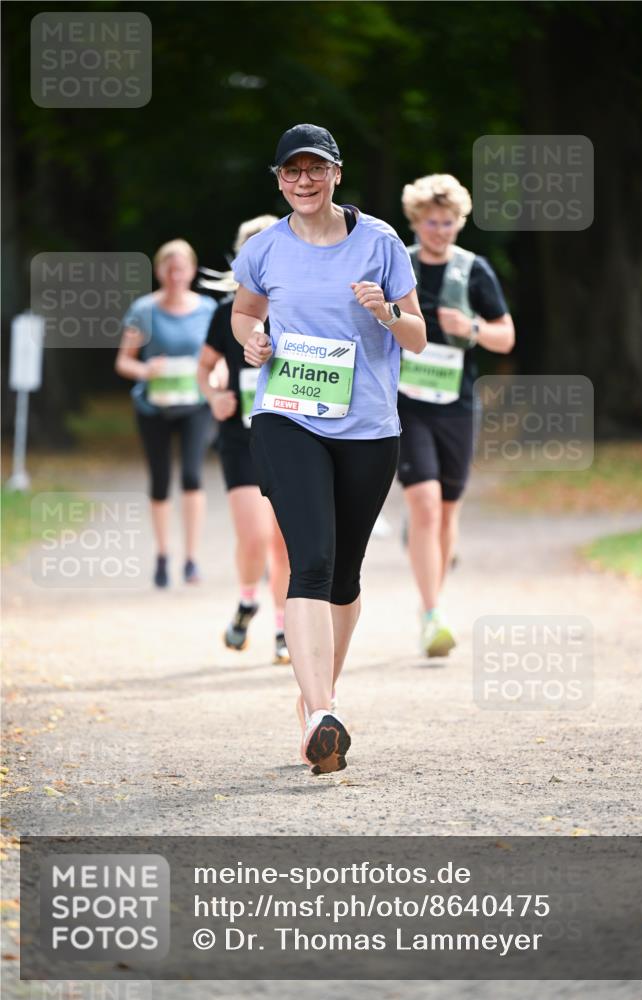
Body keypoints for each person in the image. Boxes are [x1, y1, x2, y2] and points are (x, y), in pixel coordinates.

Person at [231, 124, 426, 774]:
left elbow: (418, 337)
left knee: (343, 577)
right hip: (287, 417)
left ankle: (322, 700)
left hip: (368, 429)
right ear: (279, 179)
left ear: (336, 174)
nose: (303, 181)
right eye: (292, 172)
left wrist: (387, 316)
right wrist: (251, 342)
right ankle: (318, 712)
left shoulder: (380, 243)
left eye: (315, 169)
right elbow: (244, 313)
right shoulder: (264, 247)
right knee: (309, 559)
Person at [398, 174, 515, 655]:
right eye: (431, 222)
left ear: (459, 222)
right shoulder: (398, 265)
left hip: (457, 404)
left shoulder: (473, 270)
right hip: (406, 402)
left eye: (448, 223)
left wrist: (469, 326)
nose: (440, 231)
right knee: (423, 503)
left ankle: (435, 600)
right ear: (416, 220)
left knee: (447, 510)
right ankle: (430, 613)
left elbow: (505, 337)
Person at [196, 215, 291, 665]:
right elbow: (204, 367)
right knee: (254, 538)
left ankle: (282, 630)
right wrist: (214, 395)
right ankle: (248, 599)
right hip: (241, 438)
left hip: (292, 436)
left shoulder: (299, 305)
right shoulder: (225, 313)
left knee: (285, 541)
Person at [115, 239, 216, 587]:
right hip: (153, 407)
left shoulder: (207, 309)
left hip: (195, 405)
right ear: (159, 271)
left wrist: (214, 377)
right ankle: (162, 555)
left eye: (181, 268)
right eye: (169, 269)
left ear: (191, 270)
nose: (175, 275)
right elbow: (124, 361)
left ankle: (191, 559)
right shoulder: (143, 310)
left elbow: (216, 359)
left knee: (191, 476)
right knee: (160, 480)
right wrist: (147, 370)